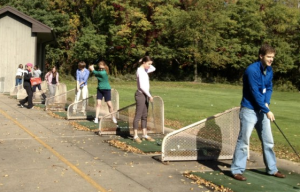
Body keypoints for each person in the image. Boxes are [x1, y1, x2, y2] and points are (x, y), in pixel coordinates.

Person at [231, 44, 286, 181]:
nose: (271, 59)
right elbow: (255, 92)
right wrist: (267, 110)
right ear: (261, 56)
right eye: (268, 57)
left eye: (272, 57)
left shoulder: (270, 70)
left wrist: (266, 103)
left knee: (268, 141)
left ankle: (272, 169)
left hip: (261, 109)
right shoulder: (252, 70)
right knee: (244, 141)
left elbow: (269, 88)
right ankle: (237, 170)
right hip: (249, 110)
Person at [132, 56, 156, 143]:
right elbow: (142, 86)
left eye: (150, 64)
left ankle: (144, 134)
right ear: (143, 63)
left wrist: (144, 62)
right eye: (148, 64)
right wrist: (149, 96)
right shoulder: (140, 71)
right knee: (138, 115)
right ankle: (135, 135)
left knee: (144, 115)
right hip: (141, 94)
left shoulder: (145, 69)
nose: (150, 66)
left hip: (146, 94)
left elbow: (154, 68)